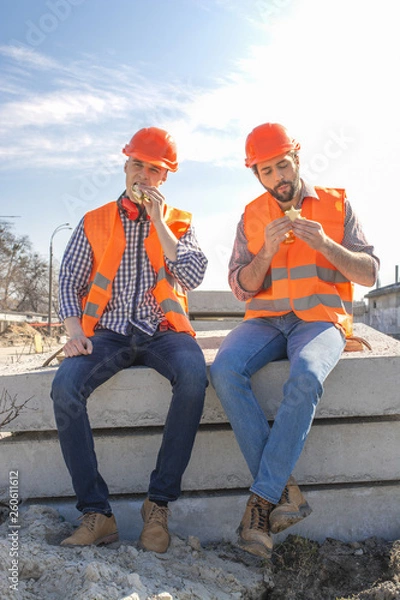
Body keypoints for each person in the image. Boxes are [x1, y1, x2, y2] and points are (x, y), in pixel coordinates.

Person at [210, 122, 379, 559]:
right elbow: (241, 287)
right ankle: (284, 493)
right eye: (266, 171)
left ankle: (261, 503)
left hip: (319, 319)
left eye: (282, 166)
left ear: (297, 159)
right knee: (225, 369)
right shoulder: (251, 215)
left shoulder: (336, 204)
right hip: (265, 321)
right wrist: (264, 253)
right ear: (257, 175)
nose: (277, 178)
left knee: (305, 375)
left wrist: (325, 244)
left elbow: (369, 273)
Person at [51, 126, 208, 553]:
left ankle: (157, 507)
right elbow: (69, 280)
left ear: (165, 177)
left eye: (154, 169)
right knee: (65, 387)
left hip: (163, 332)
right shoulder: (95, 220)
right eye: (137, 164)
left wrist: (158, 221)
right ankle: (97, 513)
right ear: (125, 166)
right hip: (108, 334)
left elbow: (193, 274)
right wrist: (74, 332)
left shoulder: (178, 222)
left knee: (195, 376)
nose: (143, 175)